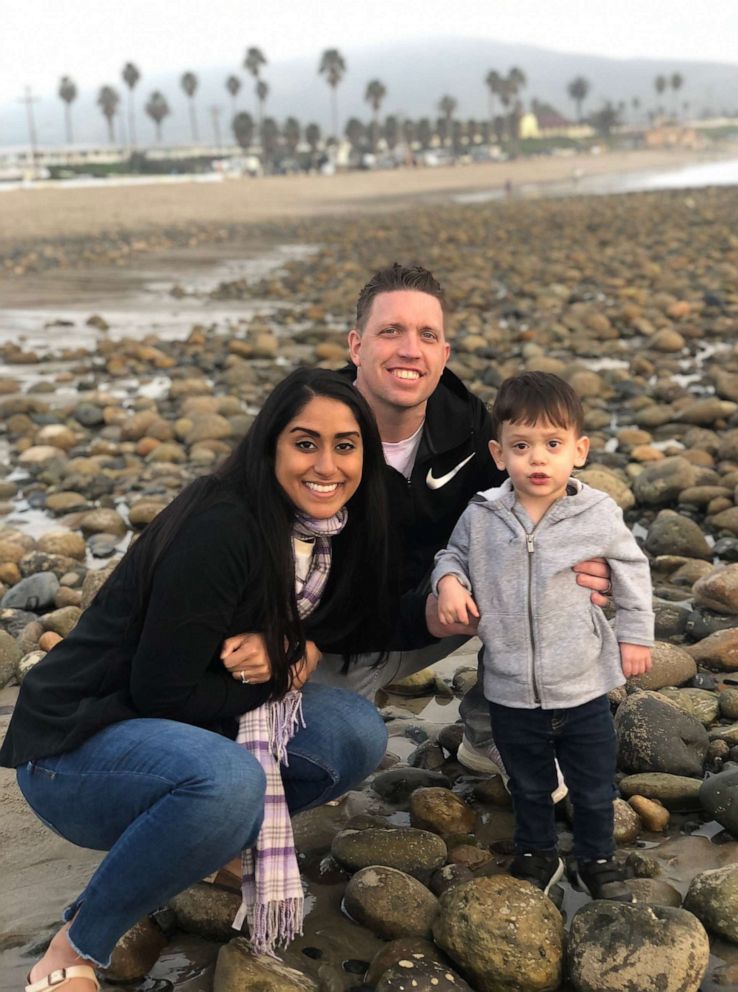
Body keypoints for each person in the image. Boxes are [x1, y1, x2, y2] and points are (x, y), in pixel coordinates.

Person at [1, 368, 395, 992]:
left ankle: (209, 845)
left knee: (353, 731)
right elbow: (163, 692)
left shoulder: (327, 533)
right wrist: (274, 678)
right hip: (74, 750)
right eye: (305, 442)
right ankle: (73, 948)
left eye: (345, 445)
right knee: (229, 782)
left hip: (177, 728)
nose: (328, 464)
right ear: (270, 446)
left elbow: (357, 613)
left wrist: (299, 645)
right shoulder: (223, 527)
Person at [222, 264, 613, 793]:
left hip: (421, 615)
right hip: (316, 632)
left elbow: (544, 505)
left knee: (547, 563)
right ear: (356, 346)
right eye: (391, 332)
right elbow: (231, 539)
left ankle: (493, 731)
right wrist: (282, 636)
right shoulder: (305, 429)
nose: (410, 349)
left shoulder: (473, 431)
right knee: (315, 758)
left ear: (444, 354)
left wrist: (588, 560)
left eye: (427, 335)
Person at [432, 371, 654, 901]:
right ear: (498, 452)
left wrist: (636, 636)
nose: (537, 459)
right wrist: (447, 582)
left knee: (595, 787)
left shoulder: (596, 513)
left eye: (552, 445)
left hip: (582, 687)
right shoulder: (483, 514)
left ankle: (598, 859)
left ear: (578, 450)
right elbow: (452, 555)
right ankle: (537, 856)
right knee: (529, 786)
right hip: (509, 690)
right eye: (522, 446)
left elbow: (633, 570)